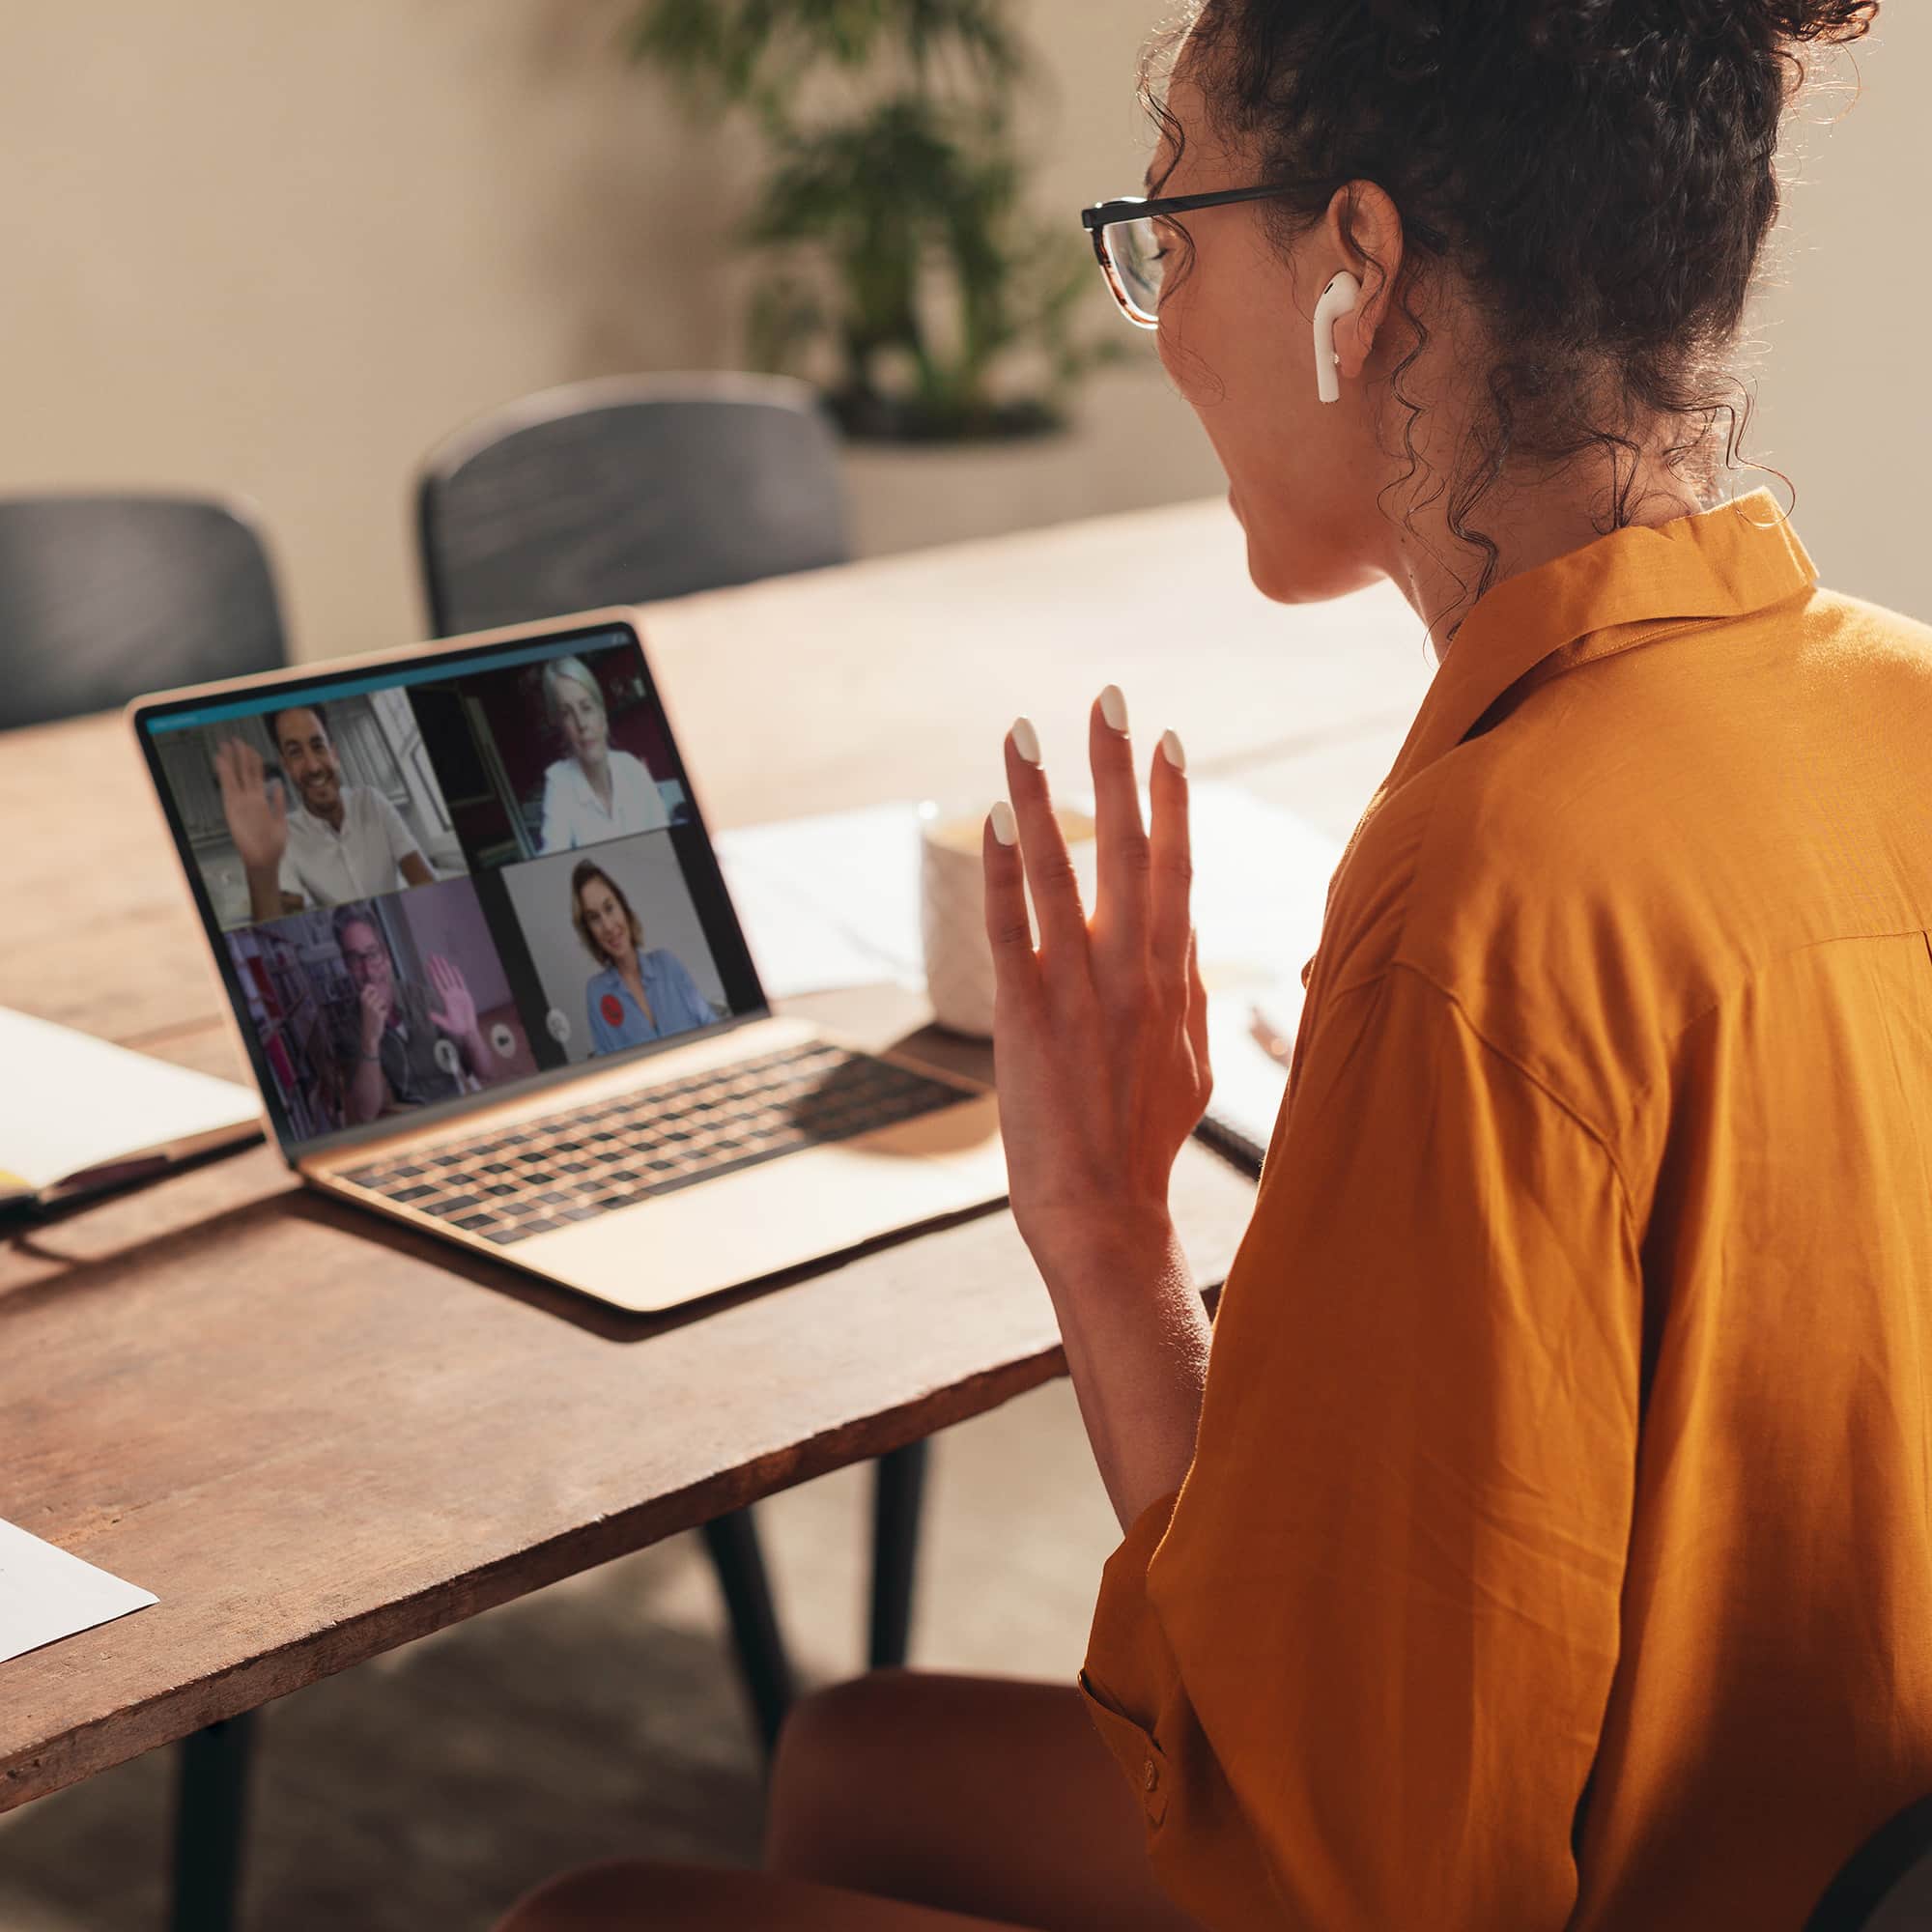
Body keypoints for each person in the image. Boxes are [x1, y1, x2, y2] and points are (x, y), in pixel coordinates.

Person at [497, 2, 1931, 1929]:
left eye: (1166, 232)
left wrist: (1099, 1239)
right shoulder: (1894, 702)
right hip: (1808, 1847)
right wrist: (1116, 1226)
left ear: (1355, 267)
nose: (1160, 320)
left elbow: (1351, 1864)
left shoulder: (1488, 894)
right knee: (856, 1763)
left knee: (591, 1912)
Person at [214, 702, 436, 923]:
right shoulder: (284, 834)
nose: (313, 767)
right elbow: (282, 924)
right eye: (295, 752)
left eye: (318, 746)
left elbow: (426, 884)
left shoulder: (372, 801)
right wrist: (261, 869)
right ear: (287, 766)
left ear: (334, 754)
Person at [330, 906, 492, 1123]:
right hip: (410, 1128)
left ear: (386, 954)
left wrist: (471, 1032)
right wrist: (370, 1042)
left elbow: (484, 1071)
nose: (368, 970)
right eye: (355, 959)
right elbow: (364, 1113)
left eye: (373, 954)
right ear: (346, 965)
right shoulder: (347, 1029)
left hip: (457, 1113)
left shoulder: (425, 999)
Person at [570, 860, 716, 1052]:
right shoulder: (597, 993)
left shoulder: (667, 964)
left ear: (623, 907)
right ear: (589, 932)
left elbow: (711, 1025)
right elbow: (608, 1067)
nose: (607, 926)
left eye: (609, 908)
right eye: (594, 918)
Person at [536, 656, 668, 853]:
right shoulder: (559, 781)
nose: (581, 724)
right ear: (562, 727)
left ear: (602, 714)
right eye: (567, 713)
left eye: (587, 708)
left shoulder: (632, 768)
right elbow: (551, 856)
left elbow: (666, 843)